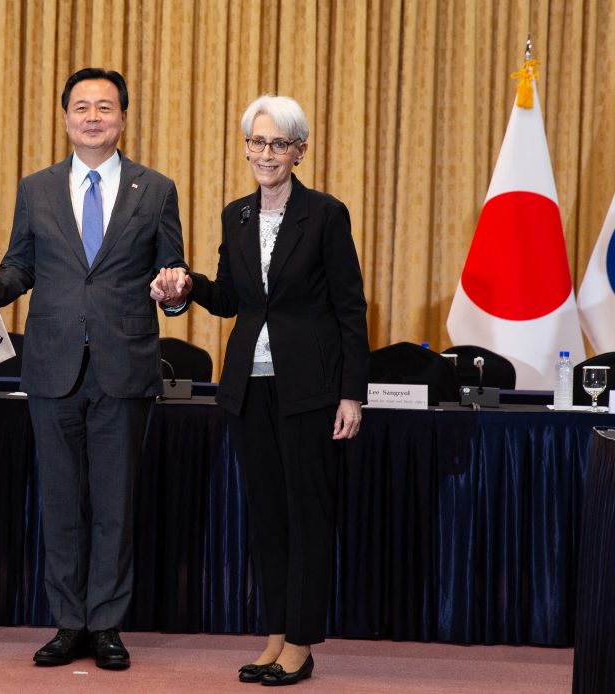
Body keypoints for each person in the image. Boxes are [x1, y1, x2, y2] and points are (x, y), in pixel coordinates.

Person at [0, 68, 191, 670]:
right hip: (51, 366)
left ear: (122, 119)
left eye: (105, 107)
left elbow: (173, 270)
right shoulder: (37, 188)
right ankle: (68, 624)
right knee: (61, 503)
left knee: (115, 504)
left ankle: (108, 626)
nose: (93, 117)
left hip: (125, 364)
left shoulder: (157, 187)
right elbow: (19, 268)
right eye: (82, 107)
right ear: (66, 117)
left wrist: (175, 288)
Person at [156, 95, 368, 686]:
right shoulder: (237, 215)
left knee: (307, 516)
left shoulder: (326, 215)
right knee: (268, 517)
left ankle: (301, 641)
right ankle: (275, 633)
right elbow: (232, 300)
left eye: (278, 144)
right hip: (249, 389)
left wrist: (353, 393)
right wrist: (186, 284)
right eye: (256, 142)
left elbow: (350, 307)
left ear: (299, 151)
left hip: (312, 391)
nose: (265, 154)